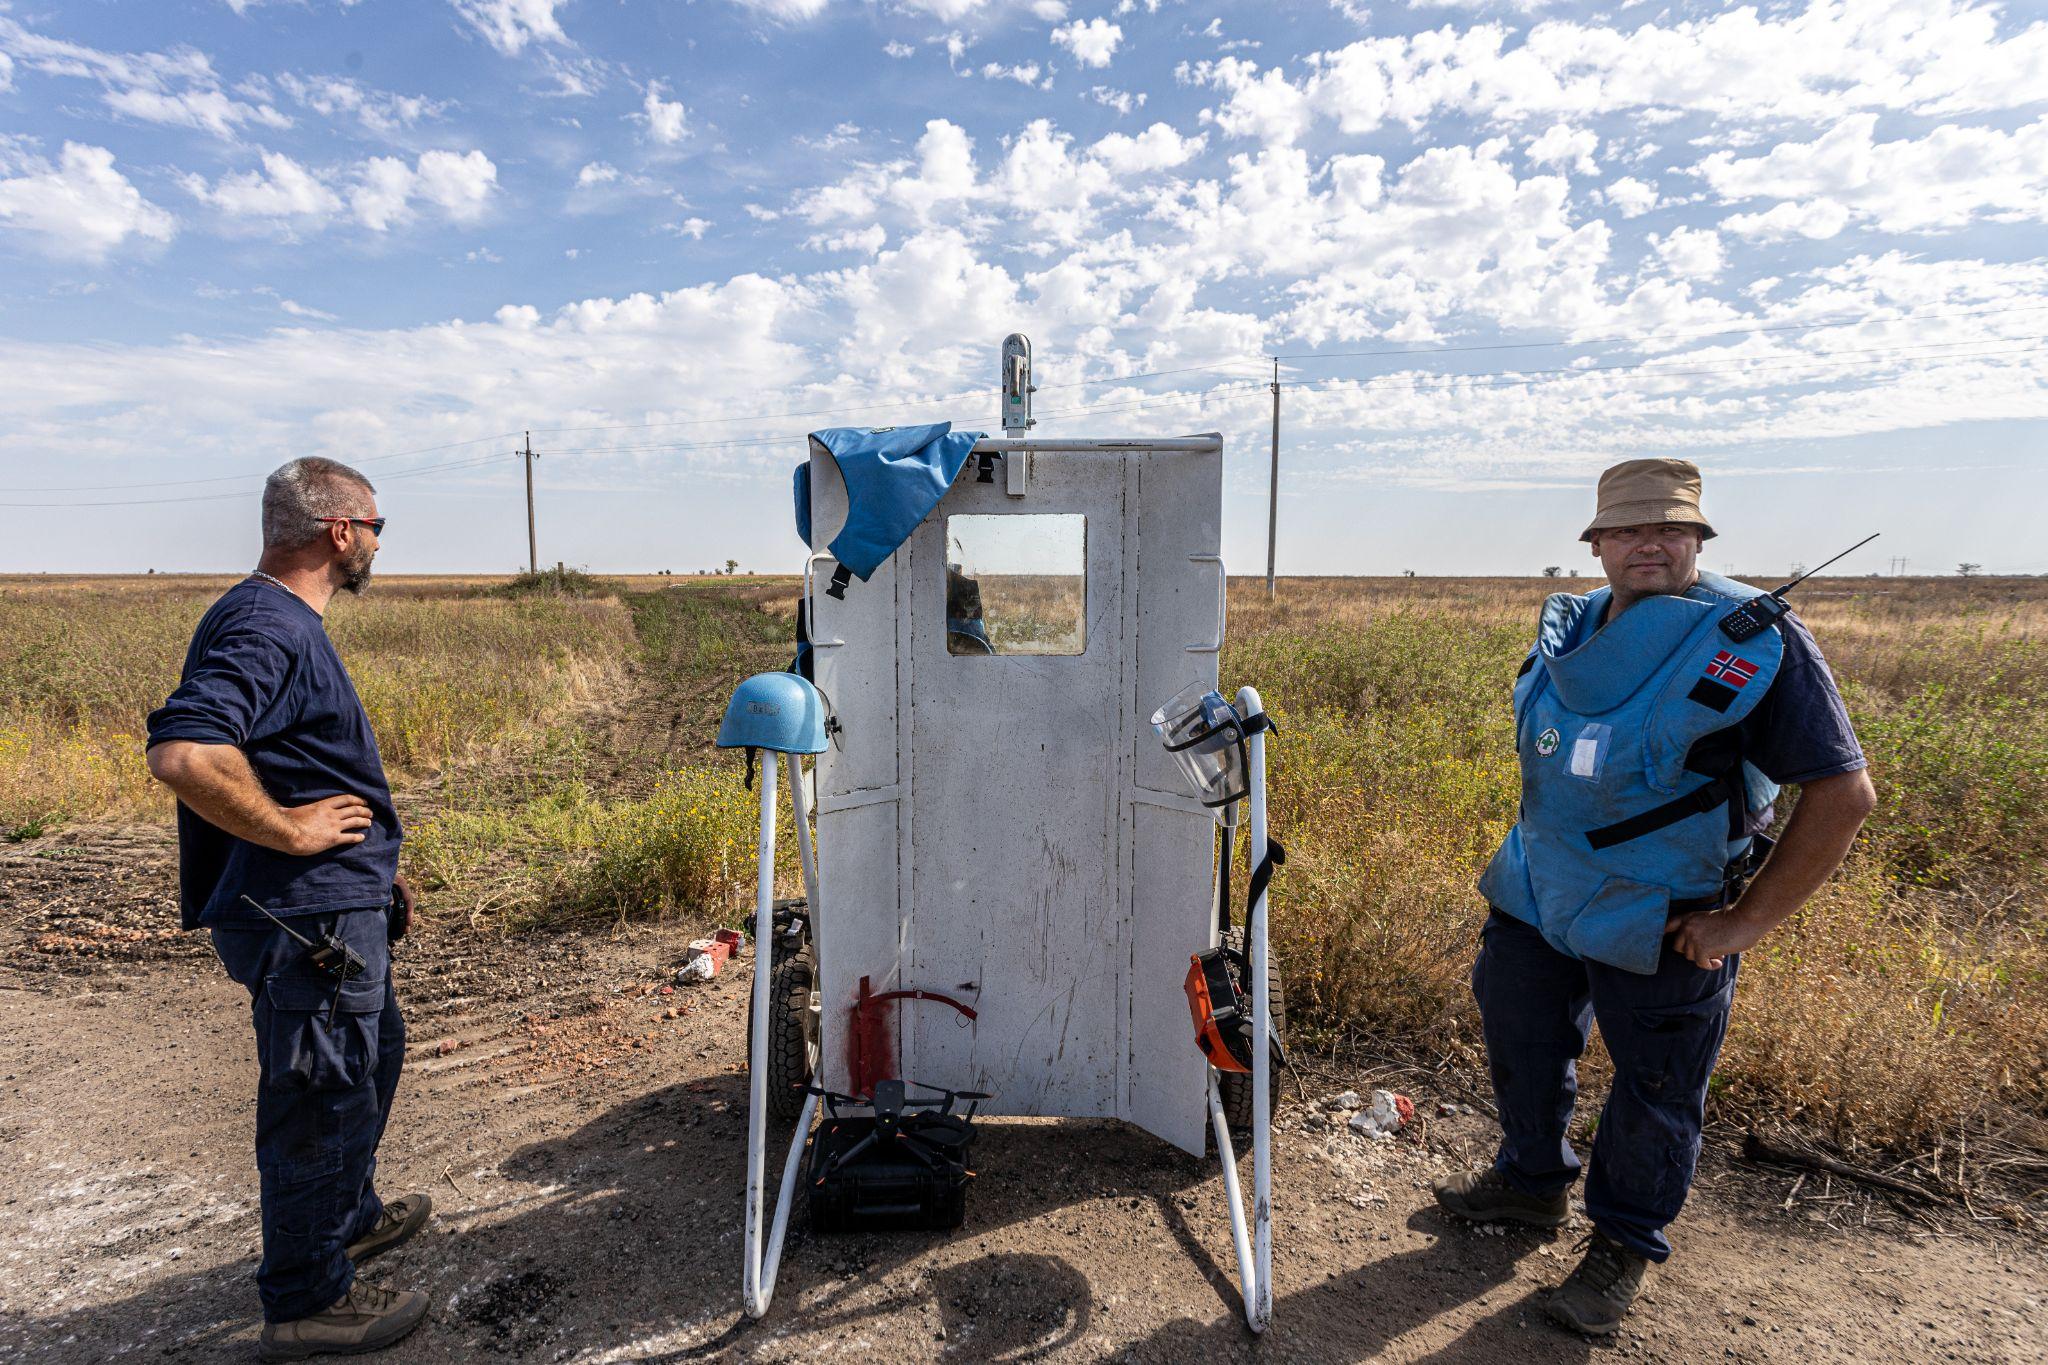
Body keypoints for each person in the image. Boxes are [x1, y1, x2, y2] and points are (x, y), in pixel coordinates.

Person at [1434, 458, 1876, 1336]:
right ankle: (1529, 1183)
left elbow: (1844, 794)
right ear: (1596, 544)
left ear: (1699, 539)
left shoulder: (1749, 638)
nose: (1650, 542)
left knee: (1655, 1086)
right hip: (1537, 890)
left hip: (1664, 915)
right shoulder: (1573, 628)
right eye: (1629, 529)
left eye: (1671, 527)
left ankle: (1624, 1243)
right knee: (1521, 1038)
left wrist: (1744, 921)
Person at [146, 457, 432, 1360]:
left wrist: (374, 870)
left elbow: (297, 759)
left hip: (338, 908)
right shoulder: (267, 621)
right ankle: (306, 1298)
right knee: (321, 1092)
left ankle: (344, 1221)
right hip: (306, 919)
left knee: (370, 1056)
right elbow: (187, 752)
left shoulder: (283, 620)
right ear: (338, 530)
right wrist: (295, 834)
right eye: (378, 525)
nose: (382, 541)